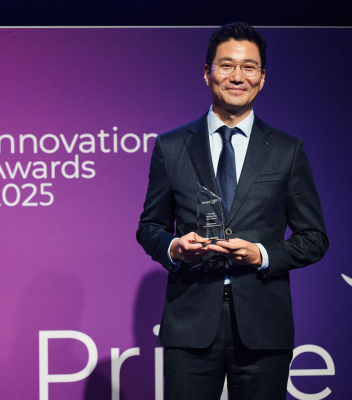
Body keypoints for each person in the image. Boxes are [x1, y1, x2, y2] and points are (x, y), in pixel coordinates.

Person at [136, 22, 328, 400]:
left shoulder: (287, 150)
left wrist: (262, 254)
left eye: (249, 67)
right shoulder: (171, 147)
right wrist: (175, 247)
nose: (237, 76)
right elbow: (150, 226)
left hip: (263, 327)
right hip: (190, 326)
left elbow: (314, 238)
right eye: (226, 65)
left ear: (262, 78)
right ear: (207, 73)